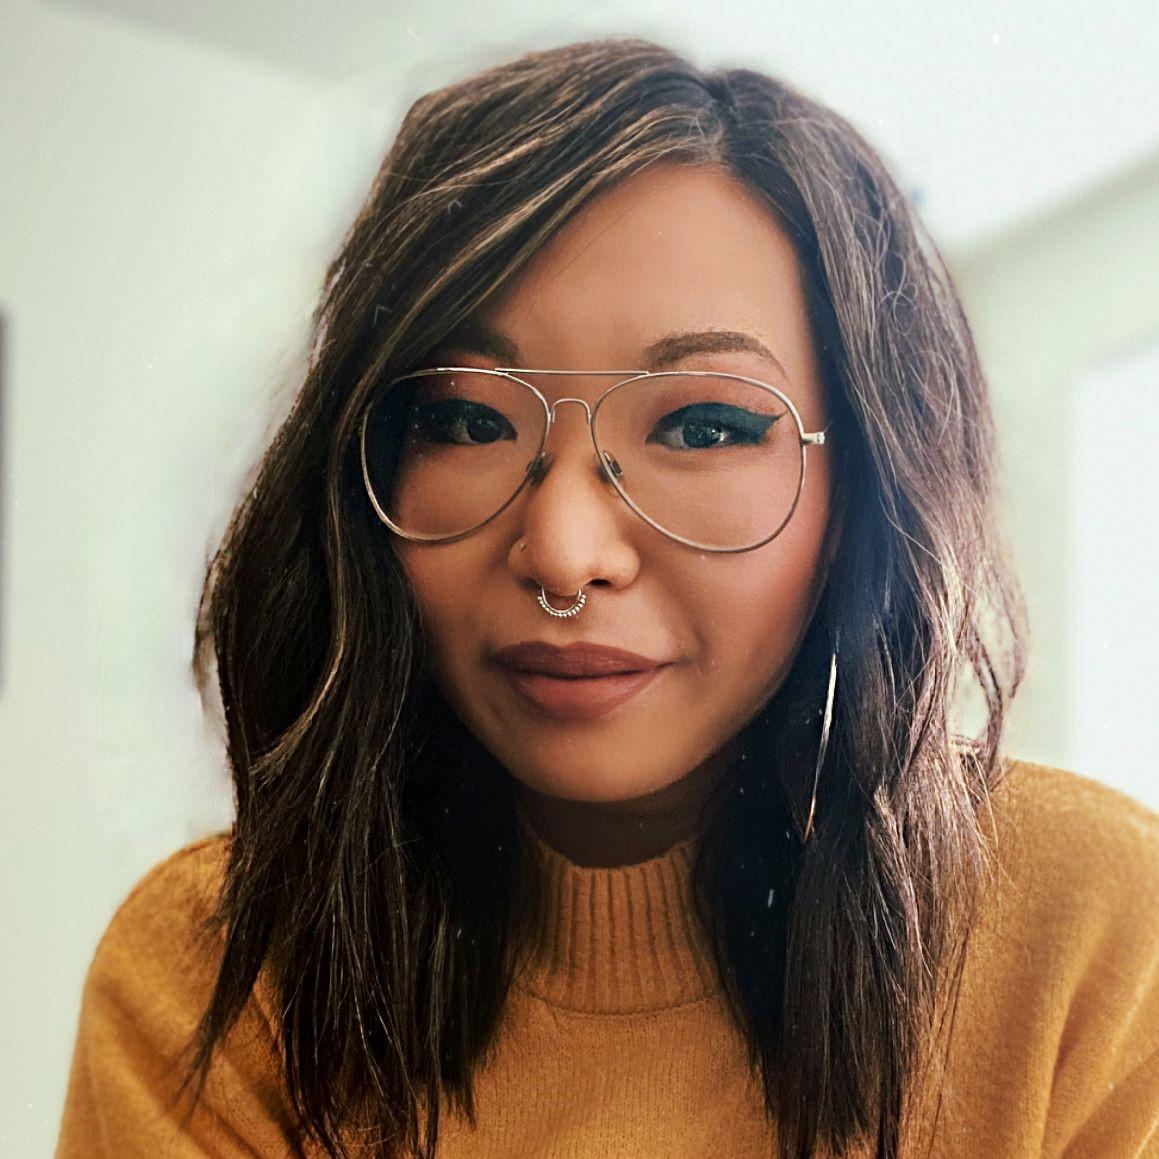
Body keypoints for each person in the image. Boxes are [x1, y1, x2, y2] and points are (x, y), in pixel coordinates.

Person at [57, 37, 1159, 1159]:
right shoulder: (216, 981)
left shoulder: (1087, 939)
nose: (565, 554)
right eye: (467, 420)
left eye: (704, 426)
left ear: (865, 488)